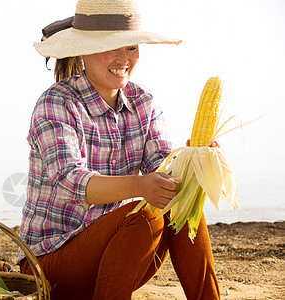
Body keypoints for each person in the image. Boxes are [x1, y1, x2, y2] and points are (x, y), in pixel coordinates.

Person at [18, 0, 221, 299]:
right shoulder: (57, 102)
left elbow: (162, 168)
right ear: (83, 50)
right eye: (110, 46)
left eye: (131, 47)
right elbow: (70, 179)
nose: (123, 58)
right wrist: (141, 185)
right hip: (50, 263)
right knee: (149, 213)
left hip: (119, 256)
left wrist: (192, 160)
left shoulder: (143, 101)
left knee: (183, 203)